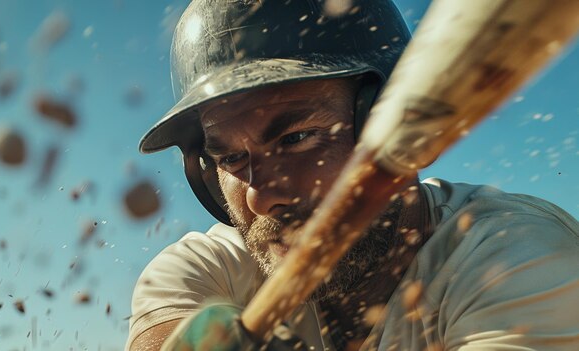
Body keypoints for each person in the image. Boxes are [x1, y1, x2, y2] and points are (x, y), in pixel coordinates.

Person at [127, 0, 579, 350]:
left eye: (298, 138)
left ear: (383, 117)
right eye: (230, 160)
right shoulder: (211, 267)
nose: (262, 197)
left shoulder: (514, 255)